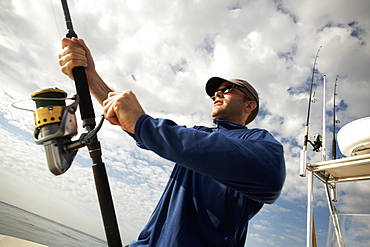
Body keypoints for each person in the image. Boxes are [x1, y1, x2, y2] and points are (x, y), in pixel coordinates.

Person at [58, 37, 286, 247]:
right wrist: (90, 78)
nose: (217, 95)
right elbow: (143, 129)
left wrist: (143, 124)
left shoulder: (257, 141)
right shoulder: (198, 134)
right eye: (214, 93)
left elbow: (270, 174)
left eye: (226, 90)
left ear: (249, 105)